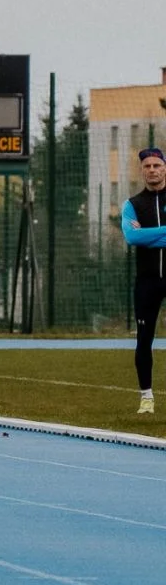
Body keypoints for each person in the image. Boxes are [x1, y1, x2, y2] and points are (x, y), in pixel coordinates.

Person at [121, 146, 166, 417]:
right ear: (142, 171)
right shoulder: (133, 204)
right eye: (147, 166)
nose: (152, 170)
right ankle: (146, 396)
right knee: (143, 340)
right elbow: (132, 238)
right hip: (147, 282)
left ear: (164, 168)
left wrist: (148, 234)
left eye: (156, 166)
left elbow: (143, 237)